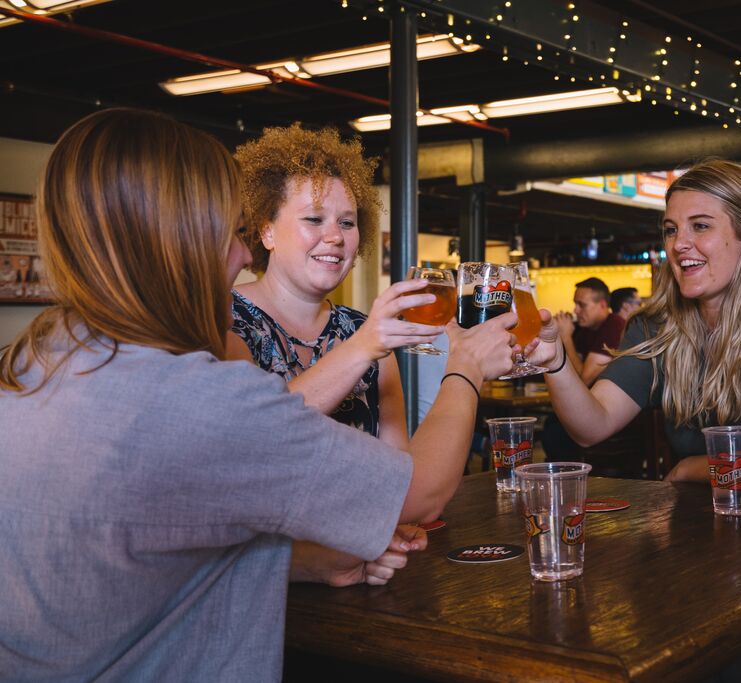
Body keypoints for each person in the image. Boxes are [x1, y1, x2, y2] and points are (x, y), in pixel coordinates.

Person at [0, 108, 517, 681]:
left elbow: (143, 547)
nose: (243, 254)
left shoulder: (32, 363)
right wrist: (466, 366)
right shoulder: (198, 398)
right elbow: (414, 495)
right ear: (175, 242)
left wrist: (305, 563)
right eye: (228, 232)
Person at [526, 159, 741, 681]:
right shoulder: (657, 322)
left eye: (701, 226)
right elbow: (592, 424)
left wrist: (686, 469)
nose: (680, 244)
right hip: (695, 558)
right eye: (672, 230)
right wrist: (556, 360)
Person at [228, 123, 440, 446]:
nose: (335, 237)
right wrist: (363, 347)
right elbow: (255, 434)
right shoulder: (225, 322)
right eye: (314, 219)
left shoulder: (365, 332)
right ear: (266, 231)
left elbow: (398, 471)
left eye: (347, 223)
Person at [554, 277, 625, 387]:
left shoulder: (614, 326)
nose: (575, 310)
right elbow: (571, 367)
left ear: (602, 305)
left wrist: (566, 337)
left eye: (582, 305)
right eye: (575, 304)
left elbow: (584, 380)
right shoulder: (587, 328)